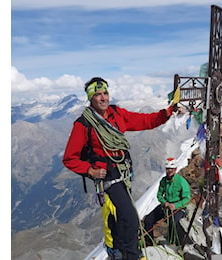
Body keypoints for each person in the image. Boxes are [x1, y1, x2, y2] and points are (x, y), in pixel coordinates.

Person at [62, 77, 176, 260]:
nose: (103, 98)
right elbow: (69, 158)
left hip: (124, 175)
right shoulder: (83, 124)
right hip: (107, 179)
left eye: (105, 93)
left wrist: (167, 113)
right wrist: (90, 171)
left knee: (121, 219)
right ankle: (132, 256)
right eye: (97, 94)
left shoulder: (117, 113)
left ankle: (118, 253)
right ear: (91, 98)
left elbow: (144, 121)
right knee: (131, 219)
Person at [143, 158, 191, 247]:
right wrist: (164, 202)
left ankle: (174, 243)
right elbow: (159, 195)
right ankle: (149, 242)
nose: (169, 171)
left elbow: (187, 198)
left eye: (171, 169)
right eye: (167, 168)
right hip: (166, 205)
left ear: (175, 169)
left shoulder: (181, 181)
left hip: (178, 207)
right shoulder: (163, 181)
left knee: (174, 222)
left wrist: (176, 205)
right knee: (148, 220)